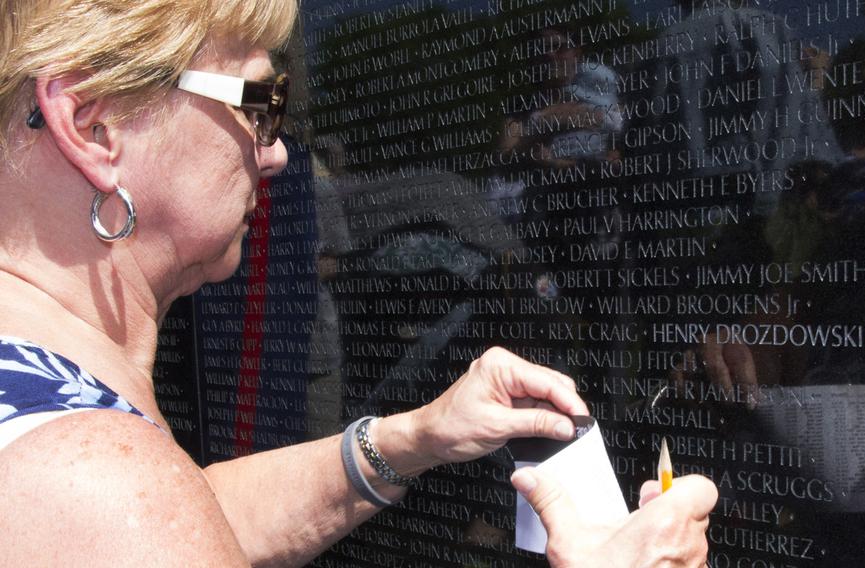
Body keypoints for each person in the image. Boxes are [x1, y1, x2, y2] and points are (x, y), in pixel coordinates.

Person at [0, 1, 717, 566]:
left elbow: (188, 515)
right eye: (258, 102)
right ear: (93, 126)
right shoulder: (89, 479)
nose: (276, 150)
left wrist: (414, 437)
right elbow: (136, 516)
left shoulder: (58, 424)